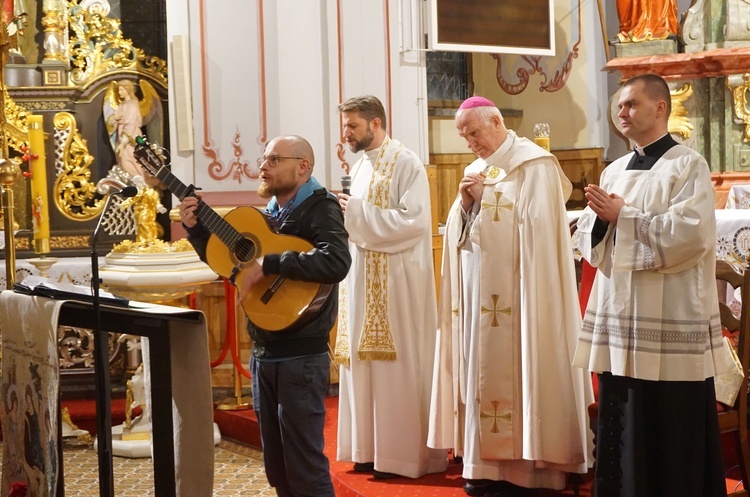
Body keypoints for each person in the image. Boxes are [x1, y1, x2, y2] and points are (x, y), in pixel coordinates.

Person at [573, 73, 730, 497]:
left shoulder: (687, 164)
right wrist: (603, 221)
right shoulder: (615, 169)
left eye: (631, 105)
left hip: (670, 316)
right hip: (622, 319)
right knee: (624, 411)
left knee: (668, 420)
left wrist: (624, 216)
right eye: (619, 106)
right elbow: (591, 237)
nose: (620, 113)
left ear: (661, 108)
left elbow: (692, 235)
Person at [428, 96, 593, 496]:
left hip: (522, 298)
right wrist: (467, 206)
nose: (470, 142)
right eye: (464, 136)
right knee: (482, 372)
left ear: (497, 121)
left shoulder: (535, 164)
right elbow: (457, 233)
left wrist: (488, 201)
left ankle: (530, 470)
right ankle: (483, 467)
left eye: (474, 132)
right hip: (480, 297)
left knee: (524, 368)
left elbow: (538, 231)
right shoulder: (475, 169)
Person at [179, 135, 351, 497]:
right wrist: (196, 232)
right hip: (264, 352)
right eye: (264, 159)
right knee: (277, 466)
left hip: (301, 356)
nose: (263, 166)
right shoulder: (271, 212)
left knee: (305, 466)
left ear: (303, 167)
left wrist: (271, 262)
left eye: (274, 159)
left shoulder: (320, 206)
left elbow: (336, 261)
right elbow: (233, 268)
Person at [333, 95, 448, 479]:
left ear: (376, 123)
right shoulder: (361, 164)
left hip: (397, 282)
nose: (346, 133)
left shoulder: (406, 163)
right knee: (363, 364)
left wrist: (356, 213)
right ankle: (368, 450)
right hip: (361, 278)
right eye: (345, 125)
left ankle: (402, 456)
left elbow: (414, 222)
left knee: (396, 365)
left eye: (352, 125)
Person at [108, 80, 144, 178]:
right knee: (122, 160)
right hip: (121, 137)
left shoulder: (132, 105)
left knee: (130, 161)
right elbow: (112, 122)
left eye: (121, 90)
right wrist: (113, 119)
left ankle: (140, 183)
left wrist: (123, 144)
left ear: (128, 90)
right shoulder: (122, 105)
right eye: (119, 90)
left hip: (131, 139)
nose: (119, 93)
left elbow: (130, 124)